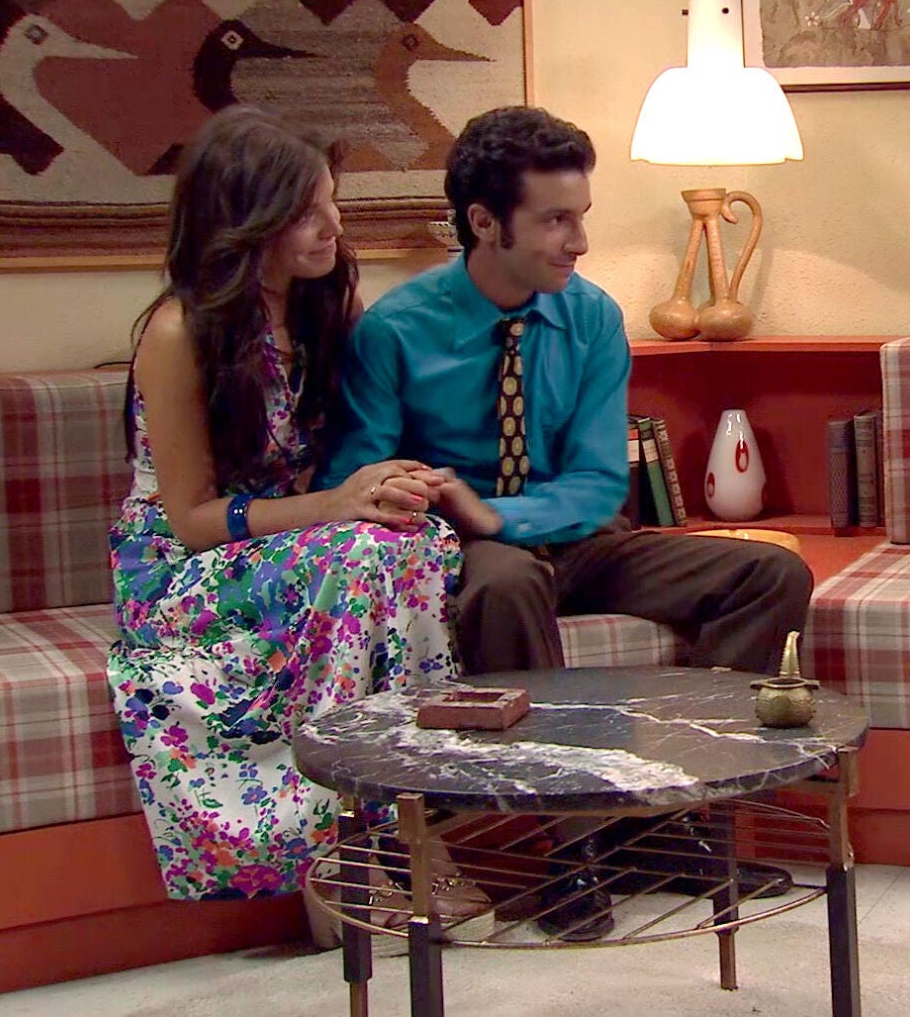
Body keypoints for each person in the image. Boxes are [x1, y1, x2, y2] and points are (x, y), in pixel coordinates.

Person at [321, 105, 813, 938]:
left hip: (582, 540)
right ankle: (574, 849)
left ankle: (669, 824)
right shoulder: (394, 331)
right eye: (555, 220)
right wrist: (432, 499)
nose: (579, 241)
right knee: (506, 580)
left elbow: (594, 481)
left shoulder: (590, 317)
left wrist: (501, 509)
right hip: (469, 552)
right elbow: (356, 478)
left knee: (771, 573)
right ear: (485, 222)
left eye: (580, 216)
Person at [107, 106, 471, 922]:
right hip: (177, 569)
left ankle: (413, 811)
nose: (334, 227)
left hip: (296, 547)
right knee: (357, 553)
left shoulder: (320, 310)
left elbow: (354, 454)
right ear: (247, 222)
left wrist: (394, 482)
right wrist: (337, 505)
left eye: (332, 202)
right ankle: (339, 843)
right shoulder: (178, 331)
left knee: (416, 541)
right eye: (309, 211)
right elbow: (193, 519)